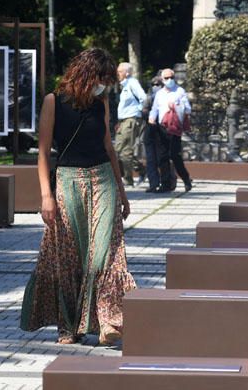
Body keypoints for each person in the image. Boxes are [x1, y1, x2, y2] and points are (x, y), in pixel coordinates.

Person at [20, 48, 137, 346]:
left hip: (103, 179)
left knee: (105, 254)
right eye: (101, 79)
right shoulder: (53, 102)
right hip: (68, 181)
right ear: (86, 74)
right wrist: (46, 196)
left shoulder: (102, 103)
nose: (104, 86)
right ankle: (68, 325)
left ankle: (109, 320)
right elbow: (44, 152)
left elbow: (109, 147)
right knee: (70, 255)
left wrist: (122, 191)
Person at [149, 68, 193, 193]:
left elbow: (188, 109)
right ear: (162, 80)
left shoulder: (179, 91)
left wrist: (176, 106)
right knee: (162, 157)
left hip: (175, 128)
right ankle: (166, 184)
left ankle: (186, 179)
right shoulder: (159, 94)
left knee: (175, 156)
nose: (169, 80)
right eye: (166, 78)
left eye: (171, 77)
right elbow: (155, 109)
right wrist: (151, 118)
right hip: (162, 127)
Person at [114, 62, 147, 186]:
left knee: (126, 151)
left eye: (120, 72)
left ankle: (128, 179)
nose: (118, 74)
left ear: (126, 73)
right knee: (118, 150)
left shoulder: (132, 83)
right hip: (124, 121)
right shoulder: (124, 85)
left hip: (130, 120)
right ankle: (142, 170)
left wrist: (137, 112)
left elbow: (143, 98)